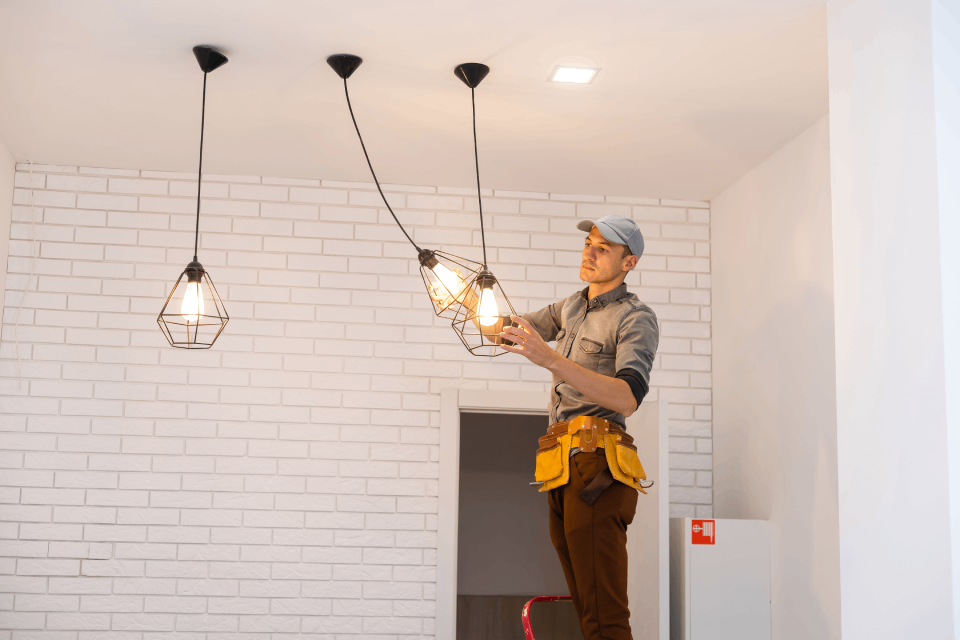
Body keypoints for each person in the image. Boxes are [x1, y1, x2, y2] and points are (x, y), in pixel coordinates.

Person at [500, 215, 659, 640]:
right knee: (588, 613)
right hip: (559, 466)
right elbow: (505, 330)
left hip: (597, 467)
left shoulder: (635, 317)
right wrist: (467, 300)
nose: (589, 251)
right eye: (590, 242)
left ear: (630, 262)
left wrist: (551, 359)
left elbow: (627, 398)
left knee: (605, 619)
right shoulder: (571, 306)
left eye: (604, 247)